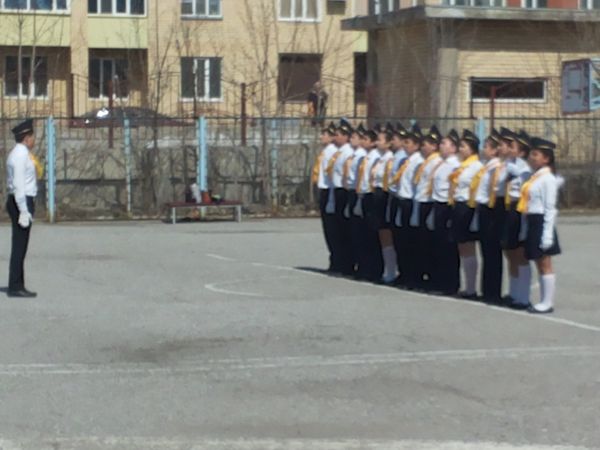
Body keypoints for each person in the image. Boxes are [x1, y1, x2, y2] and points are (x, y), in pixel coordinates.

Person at [518, 137, 562, 314]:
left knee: (545, 263)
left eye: (536, 154)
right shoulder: (534, 177)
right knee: (538, 261)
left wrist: (547, 234)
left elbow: (550, 208)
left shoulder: (548, 178)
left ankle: (547, 302)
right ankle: (543, 300)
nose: (532, 157)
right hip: (532, 220)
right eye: (531, 154)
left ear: (546, 159)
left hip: (542, 221)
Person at [449, 129, 483, 300]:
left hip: (468, 206)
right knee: (462, 246)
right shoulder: (462, 165)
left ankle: (471, 288)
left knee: (468, 246)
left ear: (472, 149)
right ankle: (467, 286)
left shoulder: (477, 166)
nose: (460, 149)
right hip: (458, 205)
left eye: (463, 146)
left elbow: (476, 189)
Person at [6, 119, 39, 298]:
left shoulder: (22, 153)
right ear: (26, 138)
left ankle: (17, 284)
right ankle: (16, 286)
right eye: (32, 137)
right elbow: (19, 185)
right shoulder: (19, 156)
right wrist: (24, 211)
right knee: (19, 246)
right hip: (21, 201)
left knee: (21, 245)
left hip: (22, 200)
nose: (34, 140)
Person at [502, 128, 533, 309]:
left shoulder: (524, 169)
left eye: (512, 147)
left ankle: (523, 296)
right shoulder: (509, 164)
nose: (509, 149)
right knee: (510, 252)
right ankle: (514, 293)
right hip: (508, 209)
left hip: (519, 209)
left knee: (520, 254)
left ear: (521, 152)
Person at [391, 123, 424, 289]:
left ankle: (413, 276)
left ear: (416, 145)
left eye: (408, 143)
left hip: (410, 202)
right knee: (400, 241)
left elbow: (417, 185)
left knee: (411, 243)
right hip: (401, 200)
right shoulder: (406, 160)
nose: (405, 145)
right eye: (404, 142)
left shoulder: (418, 162)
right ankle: (403, 273)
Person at [474, 129, 505, 304]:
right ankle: (486, 289)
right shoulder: (486, 166)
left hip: (492, 209)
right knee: (486, 251)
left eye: (486, 147)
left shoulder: (497, 168)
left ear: (494, 150)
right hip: (483, 209)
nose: (483, 149)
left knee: (493, 252)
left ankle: (494, 292)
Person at [429, 129, 461, 295]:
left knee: (448, 246)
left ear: (453, 148)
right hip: (438, 204)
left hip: (447, 206)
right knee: (438, 245)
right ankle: (439, 280)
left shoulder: (455, 165)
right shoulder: (442, 163)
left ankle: (450, 284)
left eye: (444, 143)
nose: (441, 146)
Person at [411, 125, 442, 291]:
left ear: (434, 146)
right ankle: (422, 275)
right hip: (421, 201)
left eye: (426, 144)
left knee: (429, 243)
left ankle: (431, 276)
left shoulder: (437, 162)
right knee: (420, 242)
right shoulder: (426, 162)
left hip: (429, 202)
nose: (423, 147)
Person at [369, 123, 397, 284]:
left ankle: (391, 271)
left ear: (388, 143)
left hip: (385, 194)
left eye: (380, 140)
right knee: (380, 233)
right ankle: (387, 269)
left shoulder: (390, 159)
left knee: (386, 233)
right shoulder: (379, 158)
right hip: (377, 193)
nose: (376, 142)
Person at [311, 121, 339, 273]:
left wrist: (331, 198)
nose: (321, 137)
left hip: (329, 190)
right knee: (328, 230)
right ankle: (334, 260)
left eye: (325, 134)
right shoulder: (326, 151)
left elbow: (332, 176)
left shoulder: (332, 153)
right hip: (323, 189)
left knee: (333, 230)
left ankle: (337, 261)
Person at [329, 119, 355, 275]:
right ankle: (340, 262)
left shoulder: (348, 152)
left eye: (338, 134)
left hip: (344, 192)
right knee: (337, 231)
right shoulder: (339, 153)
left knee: (344, 231)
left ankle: (347, 264)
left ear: (346, 136)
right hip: (337, 190)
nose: (335, 137)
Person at [354, 129, 381, 281]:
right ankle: (365, 267)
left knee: (371, 235)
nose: (362, 142)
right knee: (362, 235)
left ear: (373, 142)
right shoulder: (366, 157)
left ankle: (373, 269)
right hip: (363, 195)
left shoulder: (376, 158)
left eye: (365, 139)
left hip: (371, 195)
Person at [344, 123, 368, 275]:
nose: (351, 139)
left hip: (359, 193)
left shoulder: (362, 156)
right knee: (354, 234)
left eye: (354, 137)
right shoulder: (354, 155)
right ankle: (358, 265)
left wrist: (358, 199)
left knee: (361, 234)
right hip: (352, 192)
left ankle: (364, 266)